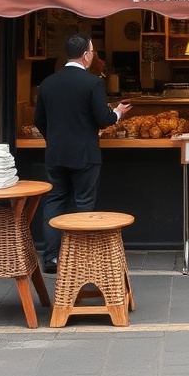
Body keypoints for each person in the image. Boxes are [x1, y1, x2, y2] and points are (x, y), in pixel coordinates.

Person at [35, 34, 132, 274]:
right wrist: (118, 112)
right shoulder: (92, 83)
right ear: (86, 55)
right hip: (85, 155)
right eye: (93, 52)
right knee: (84, 204)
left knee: (55, 202)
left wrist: (54, 141)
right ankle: (79, 257)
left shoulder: (47, 83)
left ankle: (50, 258)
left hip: (56, 154)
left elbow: (39, 120)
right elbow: (103, 119)